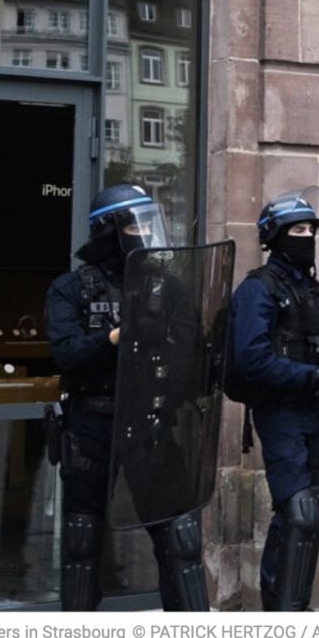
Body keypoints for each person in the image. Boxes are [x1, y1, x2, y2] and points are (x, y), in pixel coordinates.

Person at [44, 183, 209, 611]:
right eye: (136, 225)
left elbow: (194, 351)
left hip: (149, 423)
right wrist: (113, 338)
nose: (145, 234)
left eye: (148, 224)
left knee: (179, 534)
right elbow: (66, 353)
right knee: (82, 539)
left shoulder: (166, 288)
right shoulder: (72, 289)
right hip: (91, 423)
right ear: (108, 230)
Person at [227, 187, 319, 611]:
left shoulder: (308, 289)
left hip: (311, 411)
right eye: (297, 230)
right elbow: (251, 360)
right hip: (279, 411)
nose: (306, 236)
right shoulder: (258, 290)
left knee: (310, 513)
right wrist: (314, 375)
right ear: (276, 236)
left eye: (310, 229)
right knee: (299, 511)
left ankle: (294, 610)